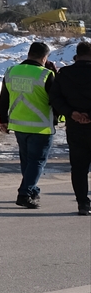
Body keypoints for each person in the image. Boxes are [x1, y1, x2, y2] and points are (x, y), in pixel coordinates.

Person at [0, 41, 57, 209]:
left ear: (29, 54)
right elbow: (56, 99)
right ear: (44, 57)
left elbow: (4, 97)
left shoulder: (11, 71)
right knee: (37, 161)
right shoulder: (45, 74)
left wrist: (3, 119)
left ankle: (33, 190)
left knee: (27, 161)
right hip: (40, 126)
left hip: (19, 125)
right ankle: (24, 193)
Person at [50, 41, 91, 216]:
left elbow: (54, 98)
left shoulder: (64, 74)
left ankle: (83, 204)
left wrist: (71, 113)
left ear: (77, 55)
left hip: (75, 127)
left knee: (79, 168)